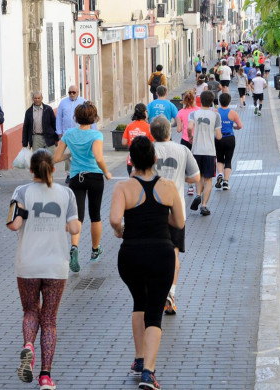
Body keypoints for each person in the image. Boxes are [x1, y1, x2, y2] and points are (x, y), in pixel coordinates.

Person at [109, 136, 184, 390]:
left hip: (130, 256)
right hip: (161, 256)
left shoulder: (123, 187)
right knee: (155, 313)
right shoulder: (169, 186)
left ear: (131, 160)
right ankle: (148, 374)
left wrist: (121, 230)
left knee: (139, 302)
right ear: (154, 159)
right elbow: (179, 223)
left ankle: (139, 359)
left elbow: (114, 219)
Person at [7, 149, 80, 390]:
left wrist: (22, 213)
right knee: (49, 320)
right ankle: (45, 377)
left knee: (30, 311)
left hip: (28, 264)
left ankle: (28, 345)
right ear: (53, 169)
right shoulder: (67, 193)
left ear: (31, 170)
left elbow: (14, 224)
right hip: (55, 266)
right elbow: (74, 227)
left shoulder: (21, 192)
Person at [54, 101, 112, 273]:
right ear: (94, 118)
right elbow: (98, 157)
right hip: (94, 176)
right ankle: (95, 250)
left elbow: (57, 158)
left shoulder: (69, 134)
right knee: (95, 215)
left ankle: (74, 247)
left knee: (77, 216)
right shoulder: (96, 135)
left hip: (76, 178)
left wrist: (71, 153)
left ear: (76, 117)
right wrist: (107, 172)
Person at [151, 115, 200, 316]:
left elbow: (134, 176)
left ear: (152, 133)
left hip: (152, 209)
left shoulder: (147, 149)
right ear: (169, 132)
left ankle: (154, 293)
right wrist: (180, 178)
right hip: (175, 209)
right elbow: (196, 177)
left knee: (153, 254)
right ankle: (170, 293)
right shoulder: (182, 150)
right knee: (173, 253)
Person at [187, 91, 222, 216]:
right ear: (212, 101)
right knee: (208, 180)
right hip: (209, 151)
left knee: (199, 176)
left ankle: (197, 194)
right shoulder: (216, 116)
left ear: (200, 100)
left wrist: (191, 137)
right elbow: (218, 136)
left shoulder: (193, 114)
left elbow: (190, 127)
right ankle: (204, 205)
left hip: (196, 150)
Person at [56, 85, 96, 183]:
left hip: (80, 133)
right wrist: (59, 132)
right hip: (67, 134)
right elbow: (59, 117)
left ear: (78, 92)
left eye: (73, 92)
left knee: (78, 153)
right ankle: (69, 173)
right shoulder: (63, 103)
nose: (71, 94)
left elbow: (91, 116)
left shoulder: (83, 101)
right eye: (70, 92)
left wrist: (94, 131)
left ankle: (80, 171)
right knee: (67, 154)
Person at [214, 93, 243, 191]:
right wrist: (233, 126)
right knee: (228, 160)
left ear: (220, 101)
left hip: (218, 138)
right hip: (230, 138)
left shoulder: (216, 112)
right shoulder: (233, 113)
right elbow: (240, 126)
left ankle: (220, 174)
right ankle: (226, 182)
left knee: (220, 158)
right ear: (229, 101)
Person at [122, 103, 154, 176]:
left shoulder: (129, 126)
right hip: (144, 160)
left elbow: (124, 142)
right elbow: (153, 142)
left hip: (131, 160)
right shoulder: (149, 127)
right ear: (145, 112)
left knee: (133, 184)